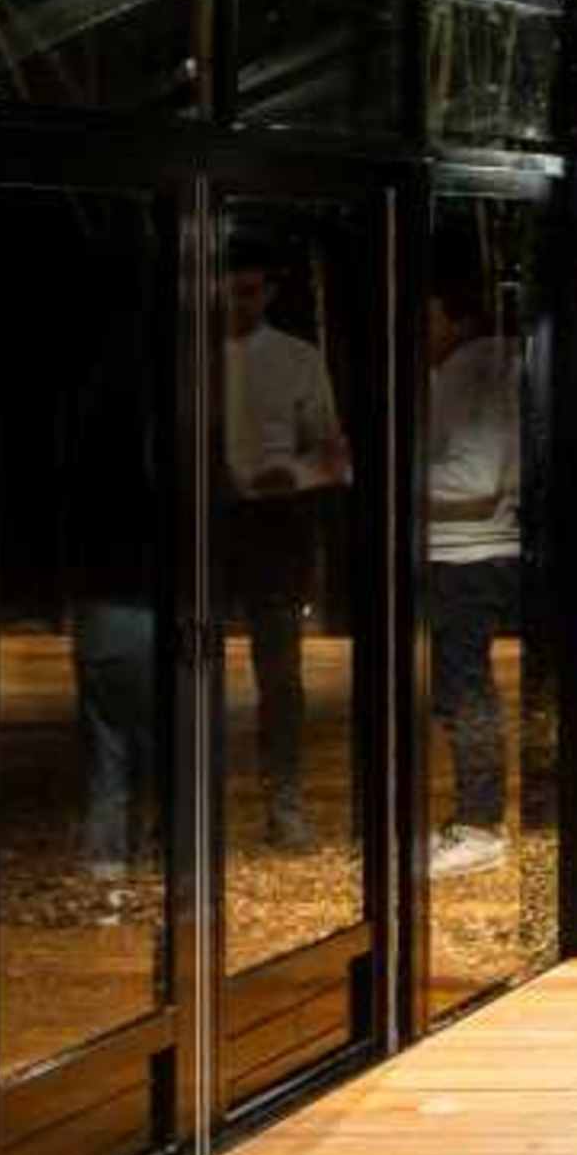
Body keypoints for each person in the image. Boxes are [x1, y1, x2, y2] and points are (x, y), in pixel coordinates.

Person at [221, 233, 350, 849]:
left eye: (248, 291)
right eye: (228, 292)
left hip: (274, 523)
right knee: (190, 667)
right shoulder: (190, 352)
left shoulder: (297, 358)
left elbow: (332, 454)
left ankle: (284, 801)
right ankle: (187, 810)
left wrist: (290, 476)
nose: (237, 303)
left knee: (279, 673)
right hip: (207, 519)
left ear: (268, 292)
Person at [422, 264, 524, 882]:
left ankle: (481, 825)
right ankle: (476, 821)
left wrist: (382, 474)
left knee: (466, 689)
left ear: (456, 317)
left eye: (427, 315)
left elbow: (476, 477)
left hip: (468, 552)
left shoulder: (472, 372)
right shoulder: (476, 369)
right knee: (460, 687)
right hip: (465, 550)